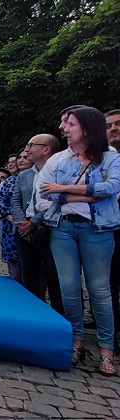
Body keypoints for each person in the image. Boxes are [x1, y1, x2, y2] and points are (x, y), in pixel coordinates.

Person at [40, 106, 119, 376]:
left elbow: (110, 188)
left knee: (100, 290)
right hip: (62, 229)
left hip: (97, 230)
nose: (63, 128)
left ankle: (107, 350)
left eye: (69, 124)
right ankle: (77, 342)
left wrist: (62, 190)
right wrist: (83, 194)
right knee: (69, 289)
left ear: (85, 128)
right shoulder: (60, 160)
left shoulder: (110, 157)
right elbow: (45, 193)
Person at [11, 134, 63, 315]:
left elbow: (55, 202)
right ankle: (33, 314)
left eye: (31, 145)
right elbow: (15, 200)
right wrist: (22, 225)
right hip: (24, 231)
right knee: (29, 274)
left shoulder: (59, 172)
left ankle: (59, 313)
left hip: (48, 229)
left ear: (46, 149)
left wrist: (34, 223)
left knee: (53, 274)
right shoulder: (24, 175)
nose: (27, 149)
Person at [0, 149, 33, 281]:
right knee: (14, 264)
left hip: (32, 225)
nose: (21, 160)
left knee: (32, 265)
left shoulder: (38, 177)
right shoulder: (9, 181)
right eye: (19, 157)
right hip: (10, 225)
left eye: (25, 157)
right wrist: (13, 219)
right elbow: (1, 202)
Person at [106, 109, 120, 355]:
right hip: (108, 226)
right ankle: (111, 329)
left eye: (118, 124)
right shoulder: (103, 157)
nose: (114, 129)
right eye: (109, 126)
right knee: (109, 281)